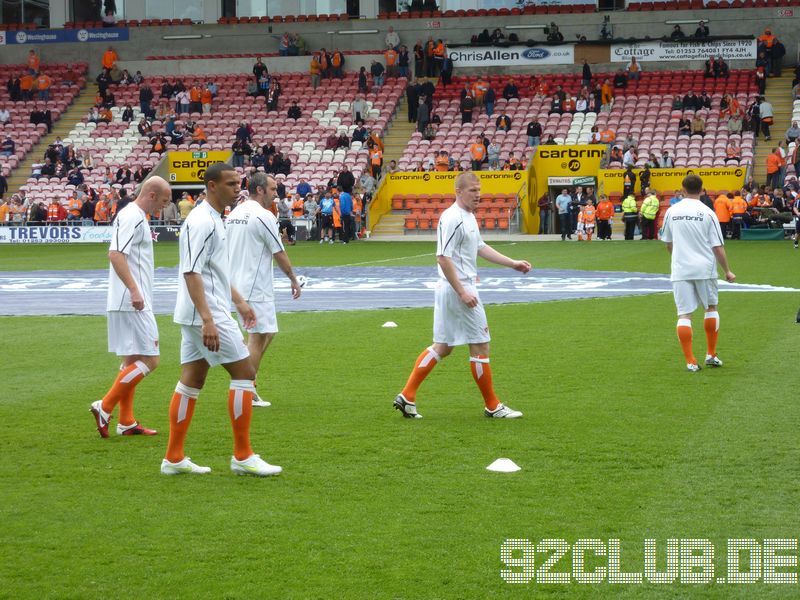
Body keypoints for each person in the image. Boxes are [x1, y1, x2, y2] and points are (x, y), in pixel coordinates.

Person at [161, 163, 282, 477]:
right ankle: (243, 455)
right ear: (212, 186)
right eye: (230, 184)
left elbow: (215, 270)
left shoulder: (216, 218)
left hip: (200, 311)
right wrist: (208, 319)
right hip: (207, 312)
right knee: (244, 371)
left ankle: (173, 457)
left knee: (192, 378)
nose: (236, 189)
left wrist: (239, 302)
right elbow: (192, 271)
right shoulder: (202, 221)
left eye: (237, 183)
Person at [393, 172, 531, 420]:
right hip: (459, 288)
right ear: (458, 191)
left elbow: (480, 247)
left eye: (479, 190)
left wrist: (512, 263)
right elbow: (442, 257)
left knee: (443, 347)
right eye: (472, 190)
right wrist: (462, 291)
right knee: (480, 345)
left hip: (454, 288)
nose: (478, 194)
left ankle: (407, 395)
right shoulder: (453, 217)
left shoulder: (468, 217)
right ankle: (492, 406)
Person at [89, 177, 172, 439]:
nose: (164, 206)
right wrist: (135, 291)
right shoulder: (133, 217)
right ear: (151, 194)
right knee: (150, 359)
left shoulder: (134, 216)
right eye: (164, 200)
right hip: (132, 301)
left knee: (131, 360)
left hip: (126, 299)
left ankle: (126, 422)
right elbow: (115, 254)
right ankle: (105, 406)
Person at [227, 173, 302, 408]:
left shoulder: (235, 213)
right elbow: (278, 251)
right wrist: (293, 278)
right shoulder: (263, 216)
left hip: (236, 284)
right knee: (259, 337)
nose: (276, 194)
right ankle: (245, 388)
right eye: (272, 188)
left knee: (264, 334)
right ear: (259, 190)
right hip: (255, 285)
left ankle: (246, 384)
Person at [660, 174, 735, 372]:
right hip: (705, 269)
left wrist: (677, 258)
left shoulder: (671, 211)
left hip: (680, 269)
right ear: (702, 190)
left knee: (684, 314)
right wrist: (727, 270)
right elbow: (717, 246)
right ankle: (711, 354)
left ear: (682, 190)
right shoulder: (708, 212)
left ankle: (690, 361)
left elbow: (668, 242)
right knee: (711, 308)